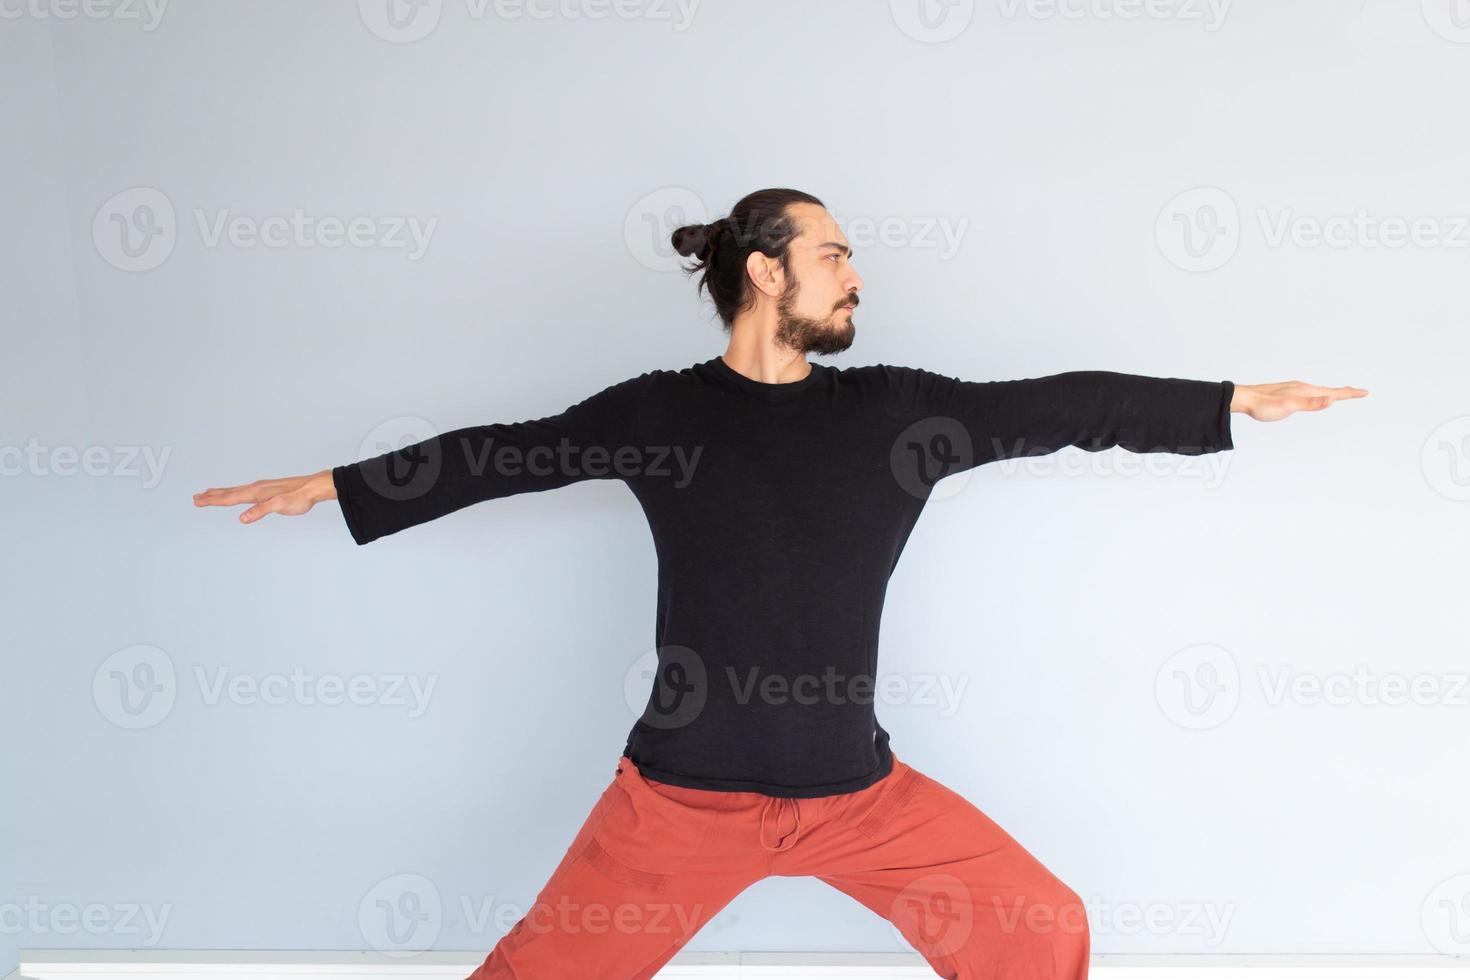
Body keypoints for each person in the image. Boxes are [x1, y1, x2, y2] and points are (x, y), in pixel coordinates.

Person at [194, 188, 1367, 979]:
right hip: (676, 808)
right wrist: (340, 485)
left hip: (862, 801)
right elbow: (507, 451)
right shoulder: (660, 414)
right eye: (835, 254)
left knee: (1042, 923)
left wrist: (1225, 402)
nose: (857, 276)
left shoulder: (899, 416)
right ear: (766, 272)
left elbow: (1065, 405)